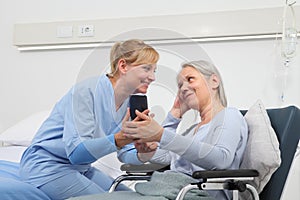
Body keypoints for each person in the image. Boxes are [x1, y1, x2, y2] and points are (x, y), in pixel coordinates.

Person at [19, 39, 160, 200]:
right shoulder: (86, 91)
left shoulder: (130, 101)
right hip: (47, 166)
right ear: (123, 66)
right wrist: (121, 138)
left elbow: (125, 153)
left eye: (155, 71)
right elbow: (76, 153)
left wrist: (144, 153)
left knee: (136, 198)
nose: (153, 77)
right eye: (147, 69)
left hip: (81, 168)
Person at [121, 60, 248, 200]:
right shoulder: (194, 129)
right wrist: (174, 115)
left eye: (190, 79)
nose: (183, 88)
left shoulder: (228, 115)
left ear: (214, 81)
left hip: (199, 194)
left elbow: (221, 159)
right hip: (174, 191)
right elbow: (164, 156)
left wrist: (161, 135)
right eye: (180, 85)